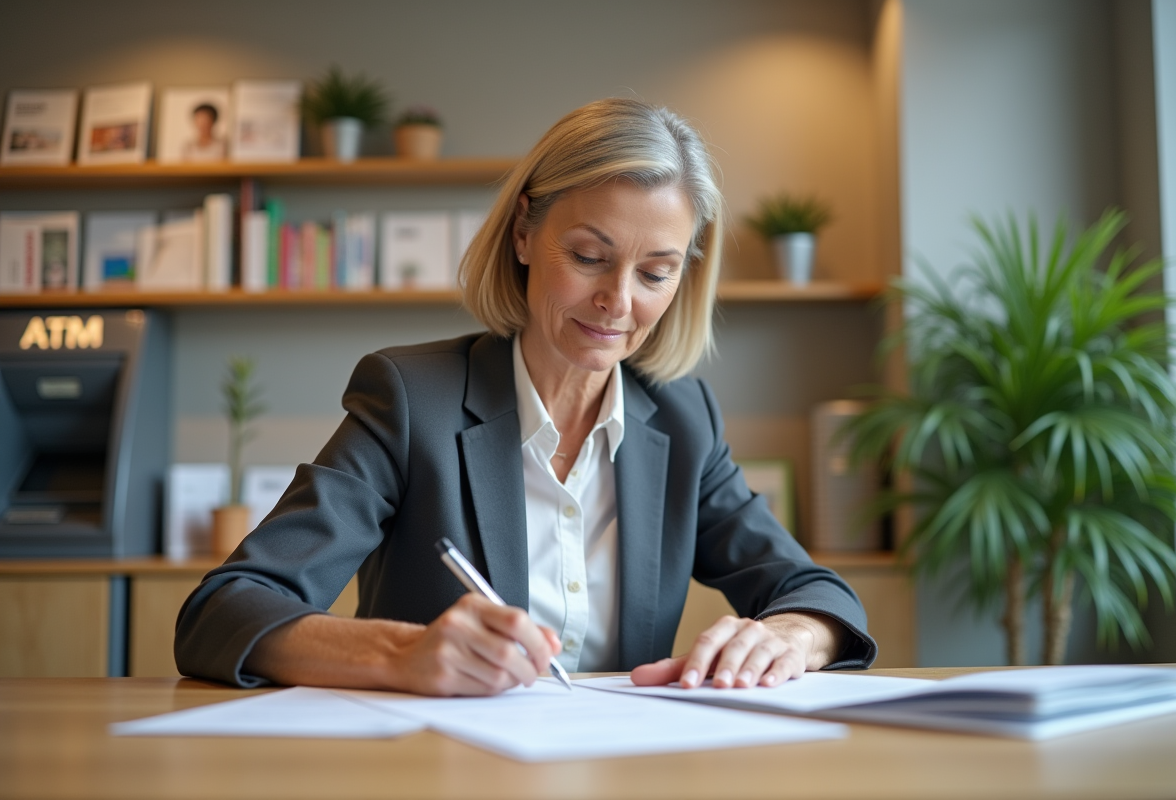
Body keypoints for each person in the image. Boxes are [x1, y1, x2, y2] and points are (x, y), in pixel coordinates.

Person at [175, 98, 878, 696]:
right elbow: (221, 612)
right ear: (522, 232)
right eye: (588, 257)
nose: (617, 301)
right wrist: (397, 655)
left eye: (656, 273)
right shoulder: (412, 399)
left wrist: (792, 634)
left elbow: (819, 596)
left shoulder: (683, 419)